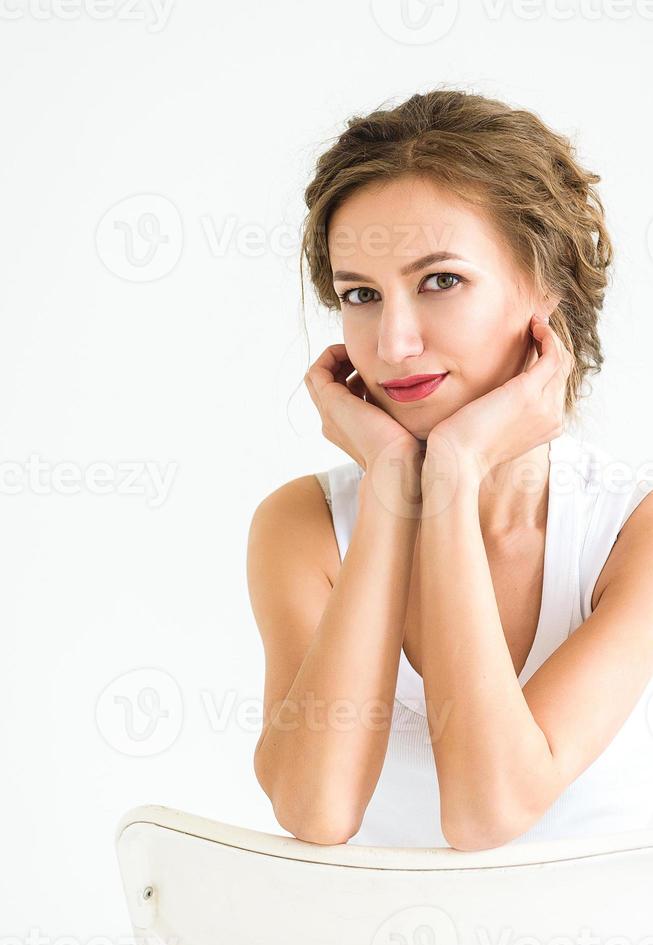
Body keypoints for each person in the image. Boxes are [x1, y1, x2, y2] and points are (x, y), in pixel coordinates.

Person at [247, 89, 653, 850]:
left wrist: (457, 469)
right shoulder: (300, 528)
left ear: (547, 290)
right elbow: (315, 810)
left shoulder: (631, 535)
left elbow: (485, 813)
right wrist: (395, 492)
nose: (393, 342)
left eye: (439, 280)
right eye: (360, 294)